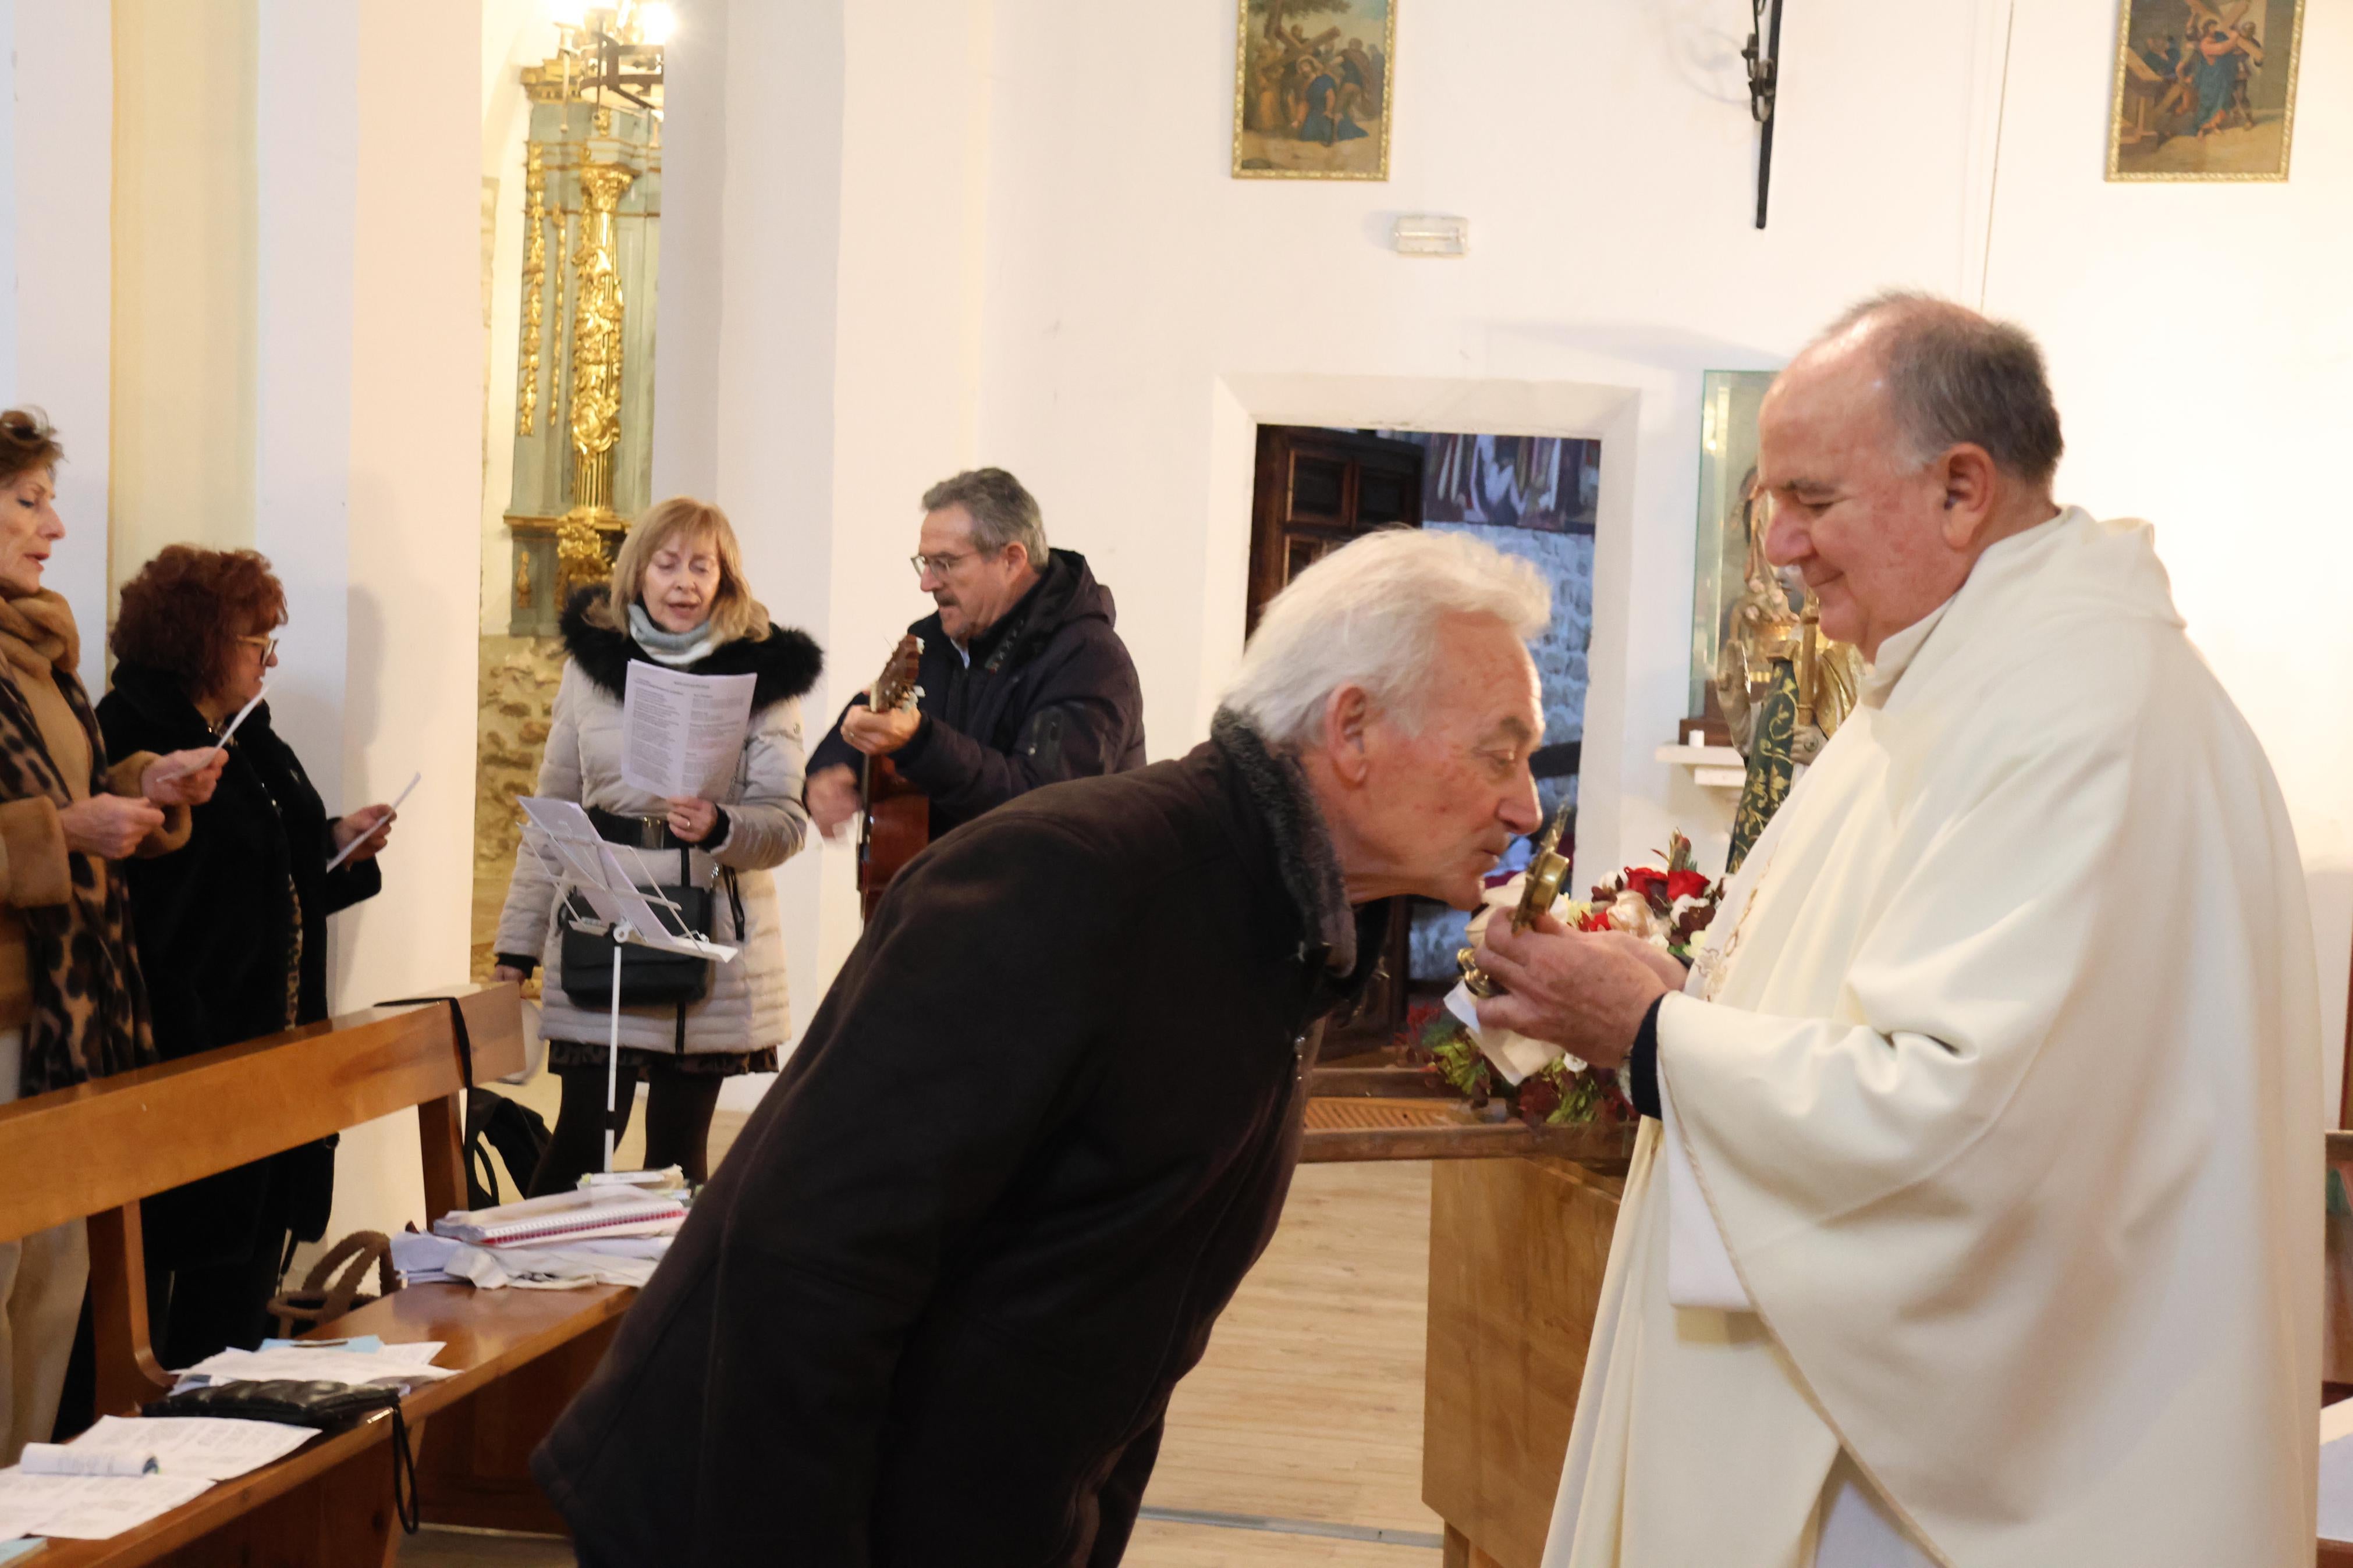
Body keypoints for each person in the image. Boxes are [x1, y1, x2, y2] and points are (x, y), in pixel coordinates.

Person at [1472, 295, 2319, 1567]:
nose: (1776, 546)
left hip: (1928, 1497)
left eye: (1809, 499)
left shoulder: (2071, 714)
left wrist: (1653, 1040)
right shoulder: (1961, 678)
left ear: (1960, 490)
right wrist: (1679, 997)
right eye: (1766, 499)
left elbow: (1963, 1126)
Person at [534, 528, 1552, 1566]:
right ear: (1352, 730)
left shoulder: (1283, 934)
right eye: (1498, 753)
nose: (1525, 806)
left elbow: (1123, 1330)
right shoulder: (1075, 884)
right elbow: (801, 1272)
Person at [97, 546, 396, 1368]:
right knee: (172, 1299)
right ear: (198, 640)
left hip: (277, 1051)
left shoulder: (257, 739)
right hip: (189, 1053)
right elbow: (152, 902)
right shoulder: (130, 734)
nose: (268, 658)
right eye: (254, 639)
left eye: (273, 640)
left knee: (243, 1304)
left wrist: (338, 844)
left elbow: (275, 880)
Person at [0, 410, 221, 1462]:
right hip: (5, 1009)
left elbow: (69, 794)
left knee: (55, 1284)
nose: (54, 526)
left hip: (74, 1004)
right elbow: (49, 819)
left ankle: (24, 1512)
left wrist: (146, 786)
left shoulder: (38, 645)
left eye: (48, 498)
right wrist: (61, 833)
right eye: (27, 500)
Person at [492, 497, 820, 1195]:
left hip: (705, 933)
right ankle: (534, 1296)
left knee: (676, 1163)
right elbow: (553, 817)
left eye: (702, 567)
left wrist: (723, 824)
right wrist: (513, 952)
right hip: (603, 925)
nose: (683, 582)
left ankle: (660, 1306)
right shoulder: (591, 669)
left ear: (725, 579)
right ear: (637, 573)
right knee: (579, 1144)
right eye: (667, 564)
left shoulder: (762, 675)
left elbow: (787, 820)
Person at [802, 467, 1144, 850]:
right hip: (949, 897)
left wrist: (919, 743)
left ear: (1012, 560)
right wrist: (833, 766)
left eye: (944, 563)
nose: (926, 583)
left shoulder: (1088, 660)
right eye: (924, 563)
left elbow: (1040, 807)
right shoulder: (932, 638)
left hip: (1050, 904)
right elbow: (874, 705)